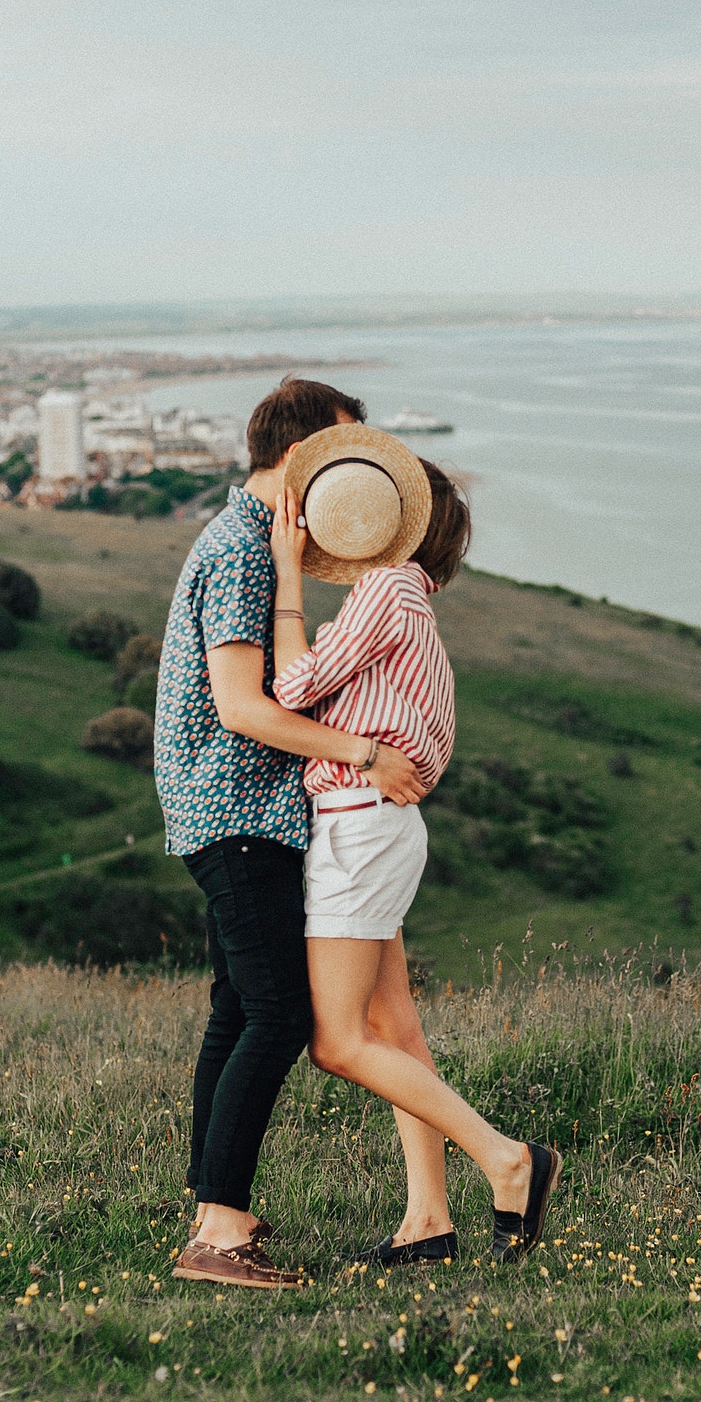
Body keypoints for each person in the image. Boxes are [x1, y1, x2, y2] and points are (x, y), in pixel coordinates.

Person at [155, 377, 428, 1290]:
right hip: (236, 811)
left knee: (236, 1009)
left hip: (230, 812)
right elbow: (241, 706)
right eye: (348, 456)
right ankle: (220, 1233)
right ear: (304, 458)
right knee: (278, 1013)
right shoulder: (239, 549)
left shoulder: (249, 543)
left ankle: (213, 1208)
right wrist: (364, 754)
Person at [269, 424, 561, 1265]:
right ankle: (428, 1219)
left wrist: (289, 576)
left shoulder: (388, 590)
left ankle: (509, 1159)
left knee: (337, 1041)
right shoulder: (406, 603)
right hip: (373, 824)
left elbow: (290, 689)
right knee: (394, 1028)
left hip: (360, 824)